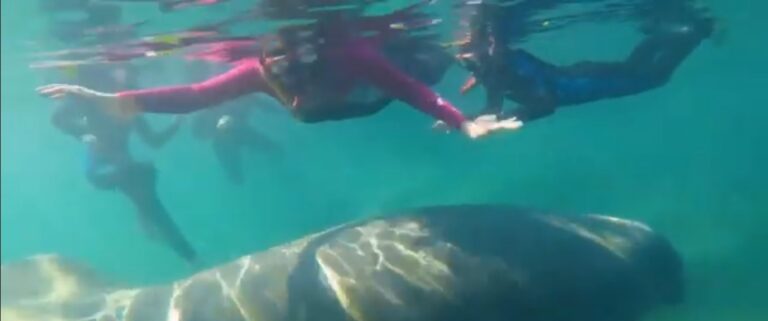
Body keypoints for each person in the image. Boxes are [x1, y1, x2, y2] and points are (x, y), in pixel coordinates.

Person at [37, 5, 522, 139]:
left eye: (298, 60)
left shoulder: (352, 54)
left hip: (367, 96)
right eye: (278, 63)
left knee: (428, 63)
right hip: (326, 111)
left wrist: (463, 121)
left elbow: (411, 89)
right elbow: (191, 94)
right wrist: (99, 97)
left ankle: (467, 52)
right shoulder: (256, 71)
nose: (287, 70)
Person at [456, 3, 715, 122]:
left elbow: (546, 105)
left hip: (586, 83)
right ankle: (669, 34)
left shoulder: (501, 68)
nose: (465, 60)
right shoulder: (493, 71)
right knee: (634, 67)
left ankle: (695, 31)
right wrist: (461, 119)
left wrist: (510, 119)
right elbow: (492, 106)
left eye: (470, 56)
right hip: (579, 76)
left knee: (654, 77)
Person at [48, 63, 197, 265]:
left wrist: (176, 123)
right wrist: (84, 134)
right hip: (100, 170)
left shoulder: (129, 107)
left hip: (125, 167)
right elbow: (57, 118)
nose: (127, 83)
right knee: (148, 194)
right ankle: (189, 256)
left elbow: (154, 141)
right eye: (123, 78)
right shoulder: (93, 101)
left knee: (146, 179)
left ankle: (151, 221)